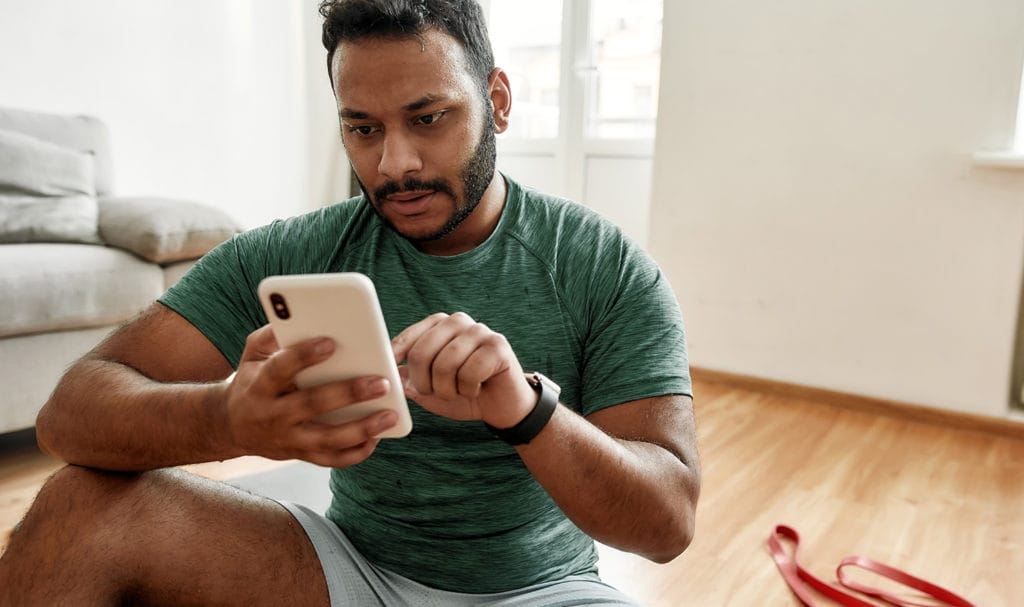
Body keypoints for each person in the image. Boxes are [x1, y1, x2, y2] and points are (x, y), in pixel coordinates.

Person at [0, 0, 700, 604]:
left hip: (543, 588)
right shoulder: (294, 251)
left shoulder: (605, 267)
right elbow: (69, 416)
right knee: (77, 506)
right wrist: (228, 416)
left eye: (429, 118)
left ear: (500, 101)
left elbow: (668, 522)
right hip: (347, 570)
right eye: (363, 129)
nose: (395, 164)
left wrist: (527, 410)